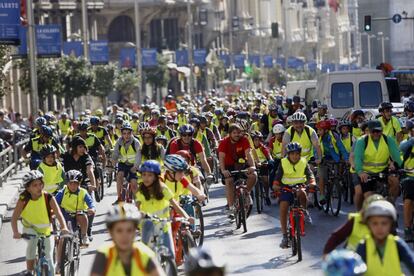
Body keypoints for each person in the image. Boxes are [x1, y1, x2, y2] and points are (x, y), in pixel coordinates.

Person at [11, 171, 69, 276]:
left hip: (47, 229)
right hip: (30, 228)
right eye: (35, 185)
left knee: (49, 258)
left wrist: (64, 227)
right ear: (28, 188)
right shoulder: (23, 199)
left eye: (40, 184)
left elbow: (59, 214)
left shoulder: (48, 197)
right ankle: (29, 271)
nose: (39, 187)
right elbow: (14, 218)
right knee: (32, 245)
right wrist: (16, 232)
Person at [136, 160, 194, 259]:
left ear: (156, 176)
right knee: (147, 258)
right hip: (147, 228)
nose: (146, 178)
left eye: (150, 175)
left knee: (170, 255)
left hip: (164, 227)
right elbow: (135, 208)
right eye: (144, 175)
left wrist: (187, 217)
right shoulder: (141, 191)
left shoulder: (163, 189)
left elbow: (176, 206)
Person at [91, 203, 165, 276]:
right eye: (119, 231)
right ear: (111, 233)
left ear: (135, 231)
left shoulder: (144, 254)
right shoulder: (104, 255)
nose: (124, 236)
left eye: (129, 230)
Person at [273, 142, 316, 248]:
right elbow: (277, 177)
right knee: (283, 206)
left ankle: (305, 211)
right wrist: (276, 185)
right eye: (292, 154)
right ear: (288, 154)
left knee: (302, 192)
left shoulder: (303, 162)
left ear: (300, 154)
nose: (294, 156)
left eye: (297, 154)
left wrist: (312, 183)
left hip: (300, 186)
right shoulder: (283, 162)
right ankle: (284, 236)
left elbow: (310, 175)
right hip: (286, 187)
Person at [356, 200, 414, 275]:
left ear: (391, 225)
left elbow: (411, 263)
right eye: (375, 223)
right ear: (369, 225)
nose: (379, 228)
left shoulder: (397, 244)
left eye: (384, 223)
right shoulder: (364, 246)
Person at [353, 120, 402, 203]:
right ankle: (360, 213)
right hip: (366, 172)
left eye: (378, 131)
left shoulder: (388, 139)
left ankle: (390, 203)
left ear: (382, 131)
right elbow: (357, 158)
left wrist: (398, 166)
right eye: (373, 131)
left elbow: (396, 155)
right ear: (369, 131)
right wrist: (360, 172)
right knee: (364, 195)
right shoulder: (362, 141)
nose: (376, 133)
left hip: (383, 171)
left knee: (395, 182)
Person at [218, 123, 257, 217]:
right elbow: (221, 158)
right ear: (230, 134)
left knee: (254, 175)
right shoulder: (224, 142)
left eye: (238, 132)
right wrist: (223, 170)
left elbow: (249, 154)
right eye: (234, 133)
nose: (237, 135)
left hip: (242, 164)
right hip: (228, 166)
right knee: (229, 181)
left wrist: (252, 166)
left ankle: (246, 193)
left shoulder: (244, 140)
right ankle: (231, 206)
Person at [55, 170, 95, 247]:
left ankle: (84, 236)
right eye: (71, 183)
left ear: (79, 183)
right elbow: (54, 202)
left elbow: (90, 203)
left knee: (82, 215)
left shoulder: (83, 192)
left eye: (76, 183)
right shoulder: (62, 192)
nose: (73, 186)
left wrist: (92, 208)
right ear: (67, 183)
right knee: (61, 237)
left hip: (79, 213)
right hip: (65, 214)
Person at [112, 122, 141, 204]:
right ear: (122, 134)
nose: (126, 135)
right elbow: (115, 153)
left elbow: (139, 155)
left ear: (131, 133)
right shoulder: (119, 142)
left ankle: (138, 202)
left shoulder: (136, 142)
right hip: (123, 164)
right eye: (124, 133)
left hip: (133, 165)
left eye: (128, 133)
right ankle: (119, 198)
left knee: (134, 184)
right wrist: (113, 161)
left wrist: (136, 166)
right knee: (119, 176)